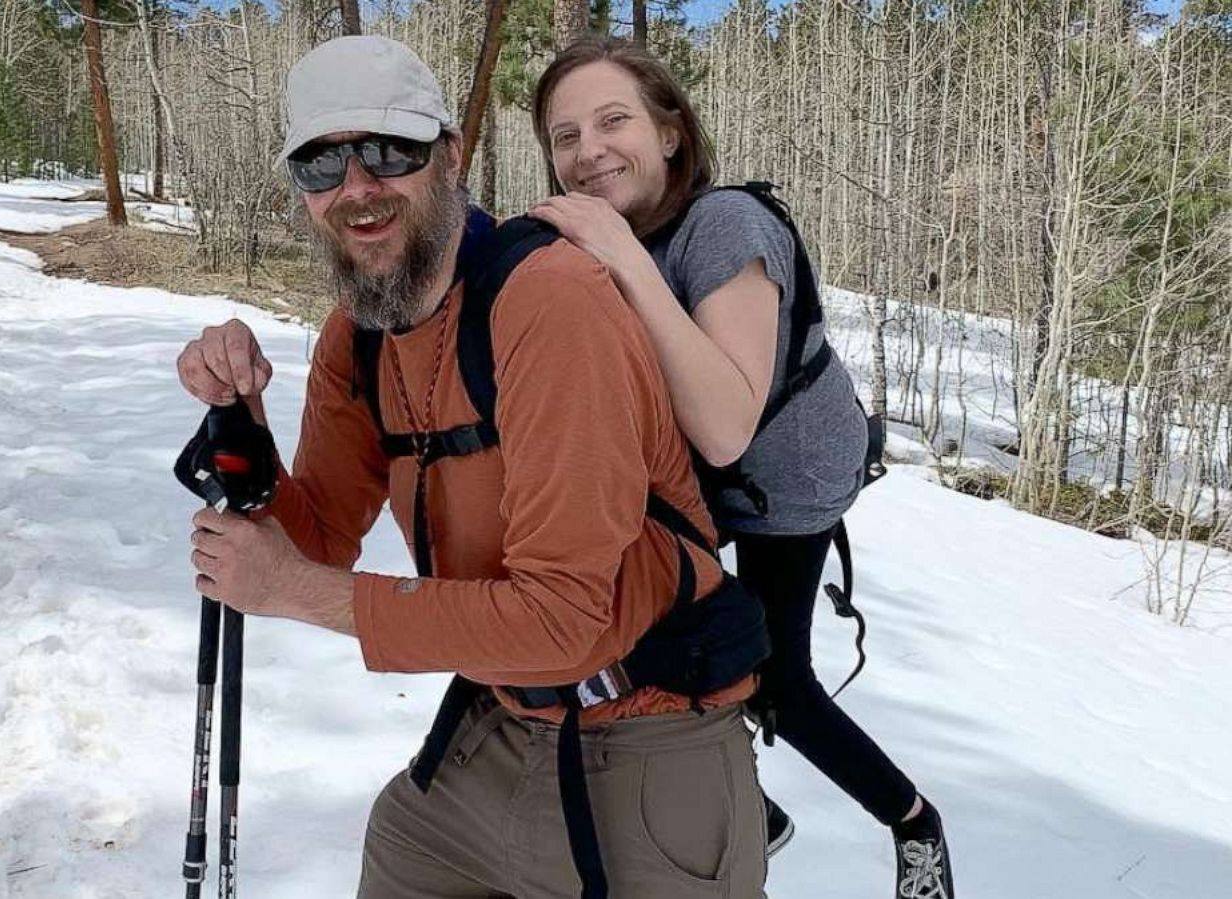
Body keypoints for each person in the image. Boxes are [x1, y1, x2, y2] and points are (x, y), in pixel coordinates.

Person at [175, 34, 767, 899]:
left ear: (450, 157)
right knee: (403, 844)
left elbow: (566, 620)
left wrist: (295, 592)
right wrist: (245, 419)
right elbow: (319, 536)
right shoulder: (358, 334)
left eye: (389, 151)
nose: (358, 189)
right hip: (497, 735)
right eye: (321, 165)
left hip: (650, 743)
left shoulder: (549, 305)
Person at [527, 36, 955, 899]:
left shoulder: (725, 224)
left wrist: (610, 250)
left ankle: (915, 823)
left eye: (614, 121)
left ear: (672, 133)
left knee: (775, 681)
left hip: (787, 480)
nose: (588, 151)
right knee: (621, 610)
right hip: (707, 482)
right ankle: (748, 805)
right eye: (564, 135)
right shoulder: (619, 238)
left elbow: (724, 424)